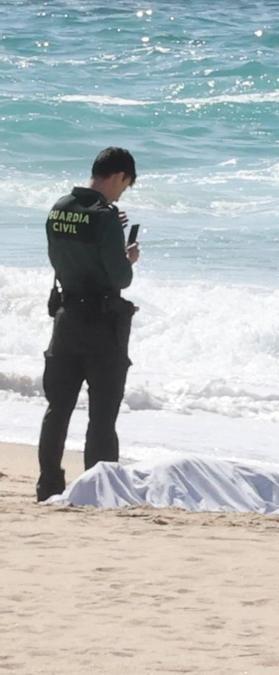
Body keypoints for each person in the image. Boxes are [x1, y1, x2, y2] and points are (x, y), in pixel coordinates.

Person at [35, 147, 141, 502]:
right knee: (102, 413)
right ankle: (99, 489)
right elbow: (121, 277)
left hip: (66, 319)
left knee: (58, 408)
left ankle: (48, 484)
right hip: (102, 323)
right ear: (118, 176)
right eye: (124, 186)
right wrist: (128, 257)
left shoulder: (59, 208)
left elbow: (66, 252)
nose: (120, 193)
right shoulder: (105, 218)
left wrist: (109, 231)